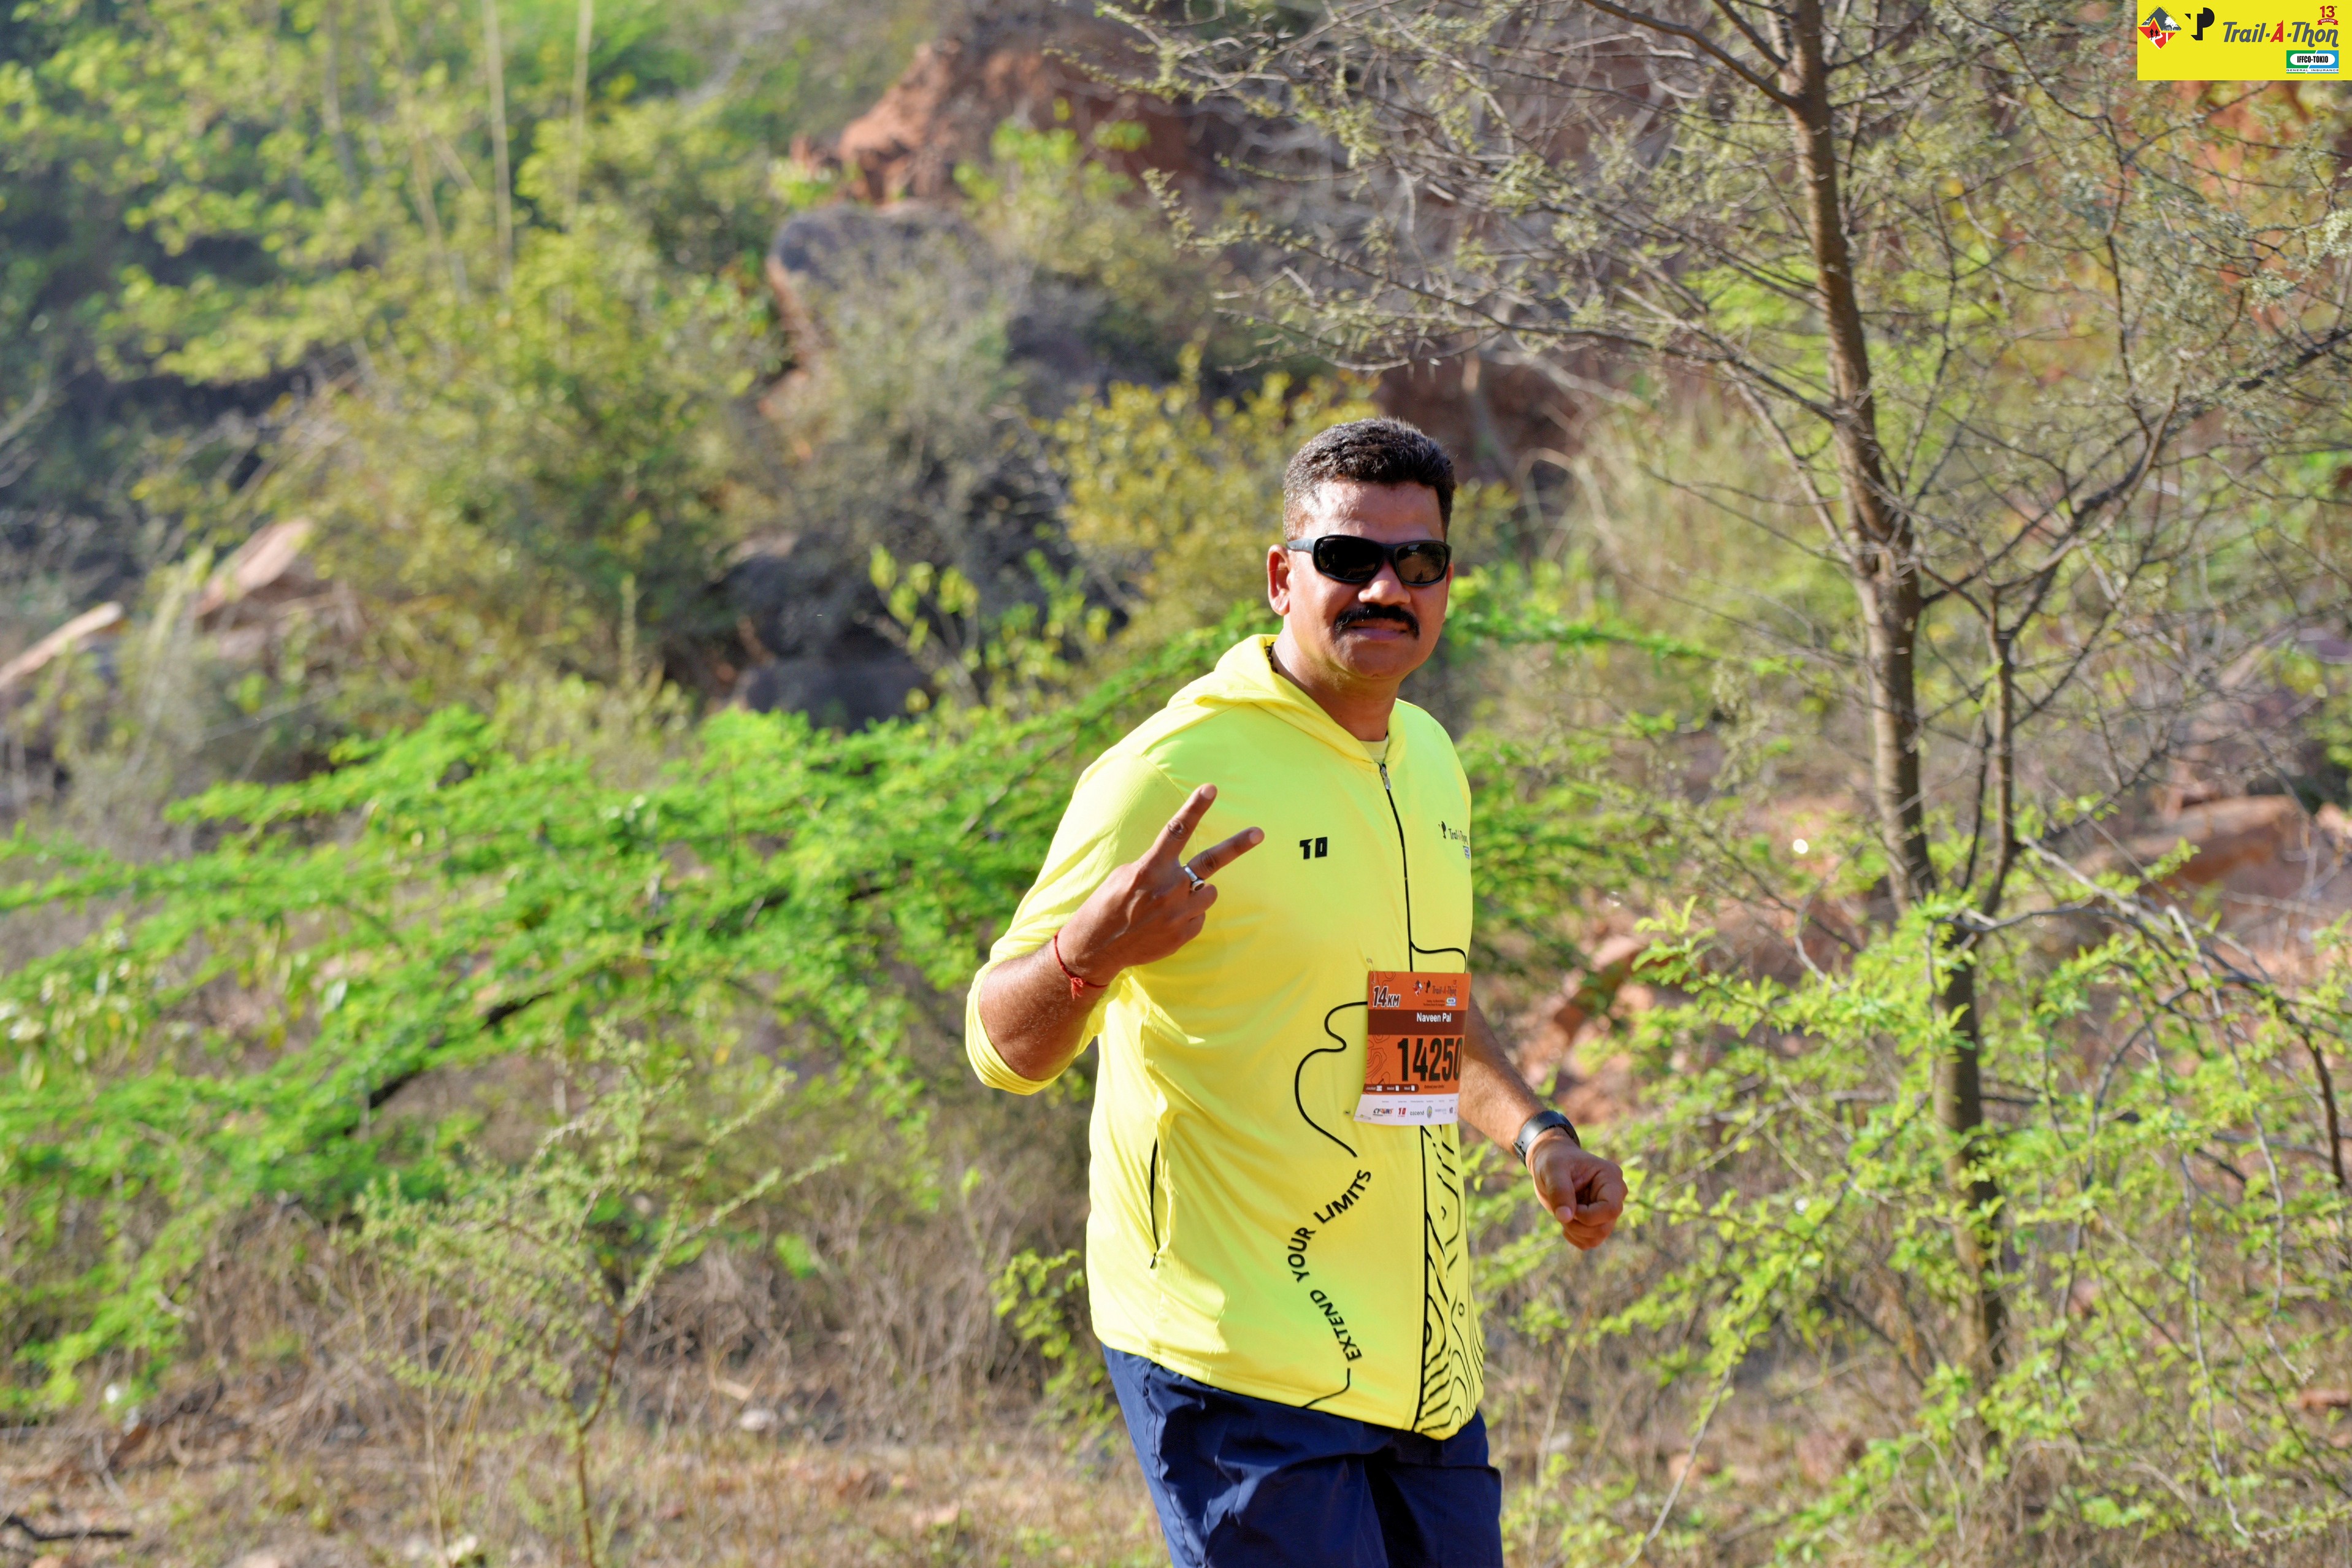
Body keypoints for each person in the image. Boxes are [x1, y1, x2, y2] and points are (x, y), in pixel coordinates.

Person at [967, 418, 1627, 1567]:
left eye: (1418, 561)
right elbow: (999, 1044)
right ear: (1284, 576)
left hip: (1420, 1368)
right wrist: (1089, 954)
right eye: (1348, 559)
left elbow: (1407, 1019)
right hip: (1234, 1365)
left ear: (1447, 582)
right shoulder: (1169, 773)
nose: (1385, 588)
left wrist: (1537, 1136)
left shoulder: (1427, 759)